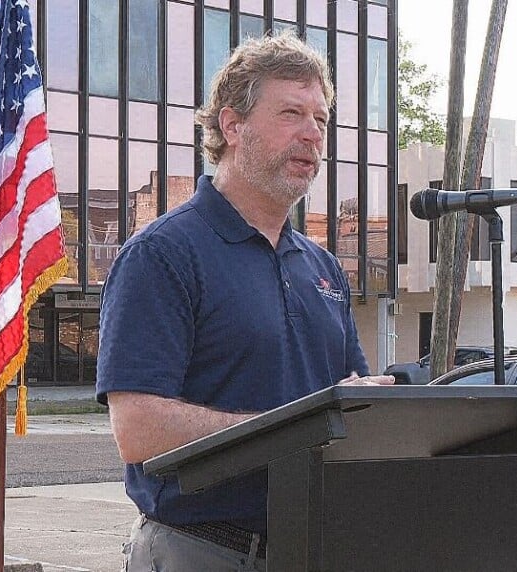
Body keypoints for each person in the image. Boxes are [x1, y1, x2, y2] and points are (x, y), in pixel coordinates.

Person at [95, 32, 394, 572]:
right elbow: (137, 429)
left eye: (321, 120)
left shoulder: (322, 268)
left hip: (317, 545)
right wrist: (287, 428)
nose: (312, 135)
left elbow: (347, 409)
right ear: (231, 125)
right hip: (202, 551)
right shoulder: (163, 256)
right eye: (290, 114)